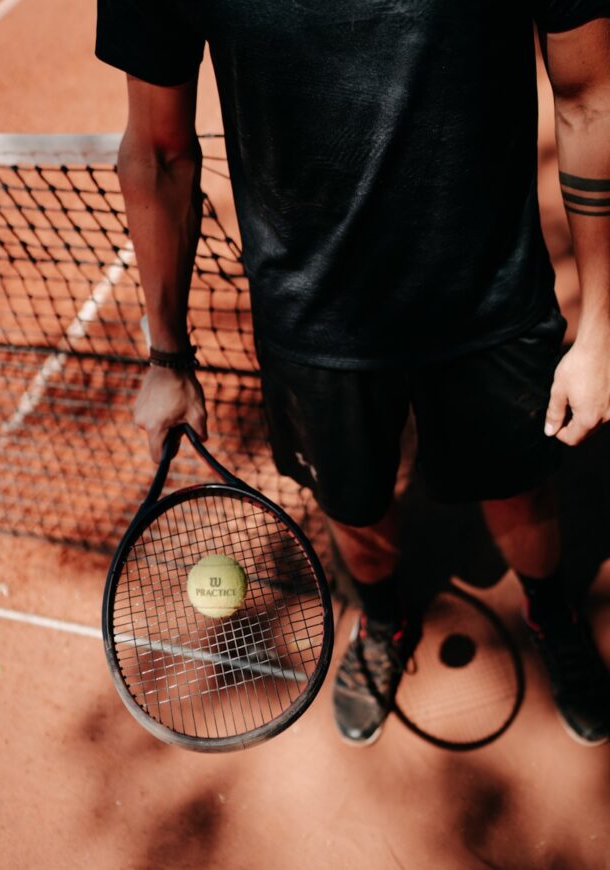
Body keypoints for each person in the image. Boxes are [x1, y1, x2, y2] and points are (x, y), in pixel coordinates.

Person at [96, 1, 610, 746]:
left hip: (491, 294)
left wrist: (599, 325)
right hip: (311, 323)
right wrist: (168, 357)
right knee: (354, 511)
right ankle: (384, 619)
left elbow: (589, 94)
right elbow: (158, 151)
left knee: (521, 493)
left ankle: (548, 609)